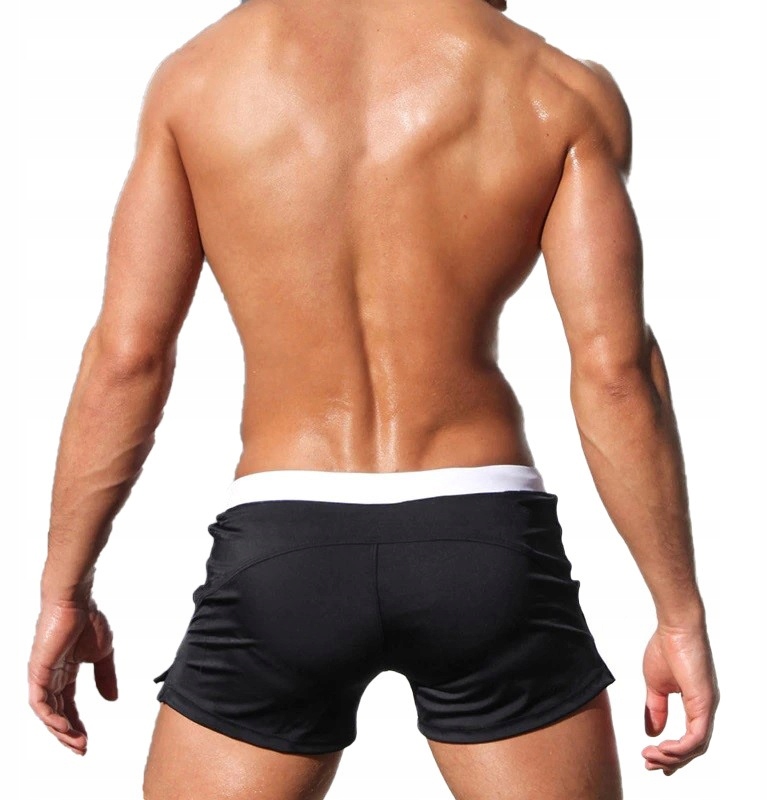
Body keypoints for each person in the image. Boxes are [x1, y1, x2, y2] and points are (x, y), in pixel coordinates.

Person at [27, 0, 720, 797]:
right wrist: (679, 616)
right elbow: (615, 372)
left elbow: (128, 360)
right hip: (483, 539)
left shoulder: (198, 80)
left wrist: (64, 592)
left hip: (284, 542)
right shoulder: (553, 86)